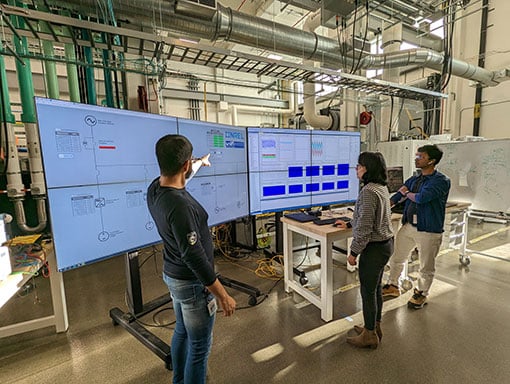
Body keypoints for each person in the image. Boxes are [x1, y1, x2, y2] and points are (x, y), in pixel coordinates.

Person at [147, 134, 236, 384]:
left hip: (173, 276)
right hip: (193, 283)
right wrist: (222, 295)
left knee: (182, 332)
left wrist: (198, 163)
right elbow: (194, 257)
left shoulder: (155, 189)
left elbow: (180, 176)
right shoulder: (181, 207)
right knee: (199, 347)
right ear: (184, 165)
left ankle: (178, 380)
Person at [335, 152, 394, 349]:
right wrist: (350, 223)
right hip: (386, 244)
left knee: (367, 292)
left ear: (367, 169)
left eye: (359, 166)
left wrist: (353, 252)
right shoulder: (381, 187)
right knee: (375, 288)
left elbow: (366, 227)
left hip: (374, 248)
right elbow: (366, 217)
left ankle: (369, 335)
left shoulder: (368, 191)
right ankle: (374, 327)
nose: (356, 169)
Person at [382, 144, 451, 309]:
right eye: (417, 155)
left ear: (432, 161)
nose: (416, 158)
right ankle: (392, 285)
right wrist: (385, 207)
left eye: (421, 156)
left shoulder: (441, 181)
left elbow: (421, 198)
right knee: (397, 257)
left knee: (426, 266)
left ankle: (421, 293)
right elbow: (398, 195)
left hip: (428, 229)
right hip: (409, 225)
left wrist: (406, 193)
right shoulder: (415, 179)